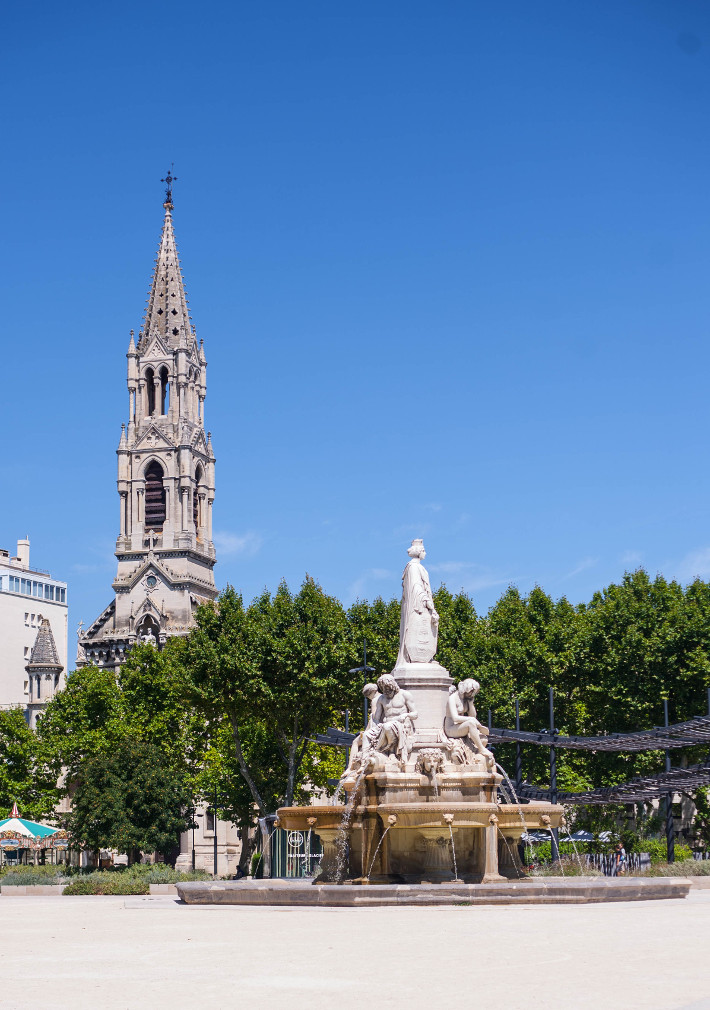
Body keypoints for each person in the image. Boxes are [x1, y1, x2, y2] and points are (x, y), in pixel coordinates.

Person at [396, 539, 440, 666]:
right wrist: (427, 602)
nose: (425, 553)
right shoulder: (414, 567)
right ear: (419, 552)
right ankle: (415, 658)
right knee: (418, 631)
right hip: (418, 606)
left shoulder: (416, 567)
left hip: (420, 605)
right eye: (424, 550)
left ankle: (425, 658)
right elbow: (416, 587)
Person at [362, 674, 418, 766]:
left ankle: (392, 754)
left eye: (387, 687)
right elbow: (376, 718)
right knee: (366, 735)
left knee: (387, 727)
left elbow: (415, 714)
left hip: (400, 725)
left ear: (393, 685)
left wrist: (406, 715)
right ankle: (364, 762)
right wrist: (374, 722)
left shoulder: (404, 694)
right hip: (385, 725)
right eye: (383, 688)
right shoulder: (381, 698)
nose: (386, 690)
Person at [444, 678, 495, 768]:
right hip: (451, 728)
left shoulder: (466, 699)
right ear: (465, 689)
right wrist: (473, 721)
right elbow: (455, 718)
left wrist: (471, 704)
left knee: (483, 738)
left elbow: (473, 715)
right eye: (471, 692)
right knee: (471, 723)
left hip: (461, 727)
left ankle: (478, 755)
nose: (472, 694)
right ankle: (482, 749)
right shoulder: (452, 698)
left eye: (474, 692)